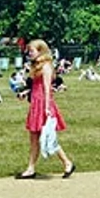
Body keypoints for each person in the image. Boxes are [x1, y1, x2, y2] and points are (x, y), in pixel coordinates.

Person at [16, 39, 75, 179]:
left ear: (40, 51)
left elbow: (47, 88)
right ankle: (30, 168)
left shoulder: (46, 66)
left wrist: (47, 107)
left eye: (32, 51)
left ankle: (67, 162)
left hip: (43, 103)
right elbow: (35, 87)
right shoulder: (36, 67)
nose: (29, 53)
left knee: (48, 137)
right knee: (34, 138)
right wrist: (25, 93)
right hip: (36, 103)